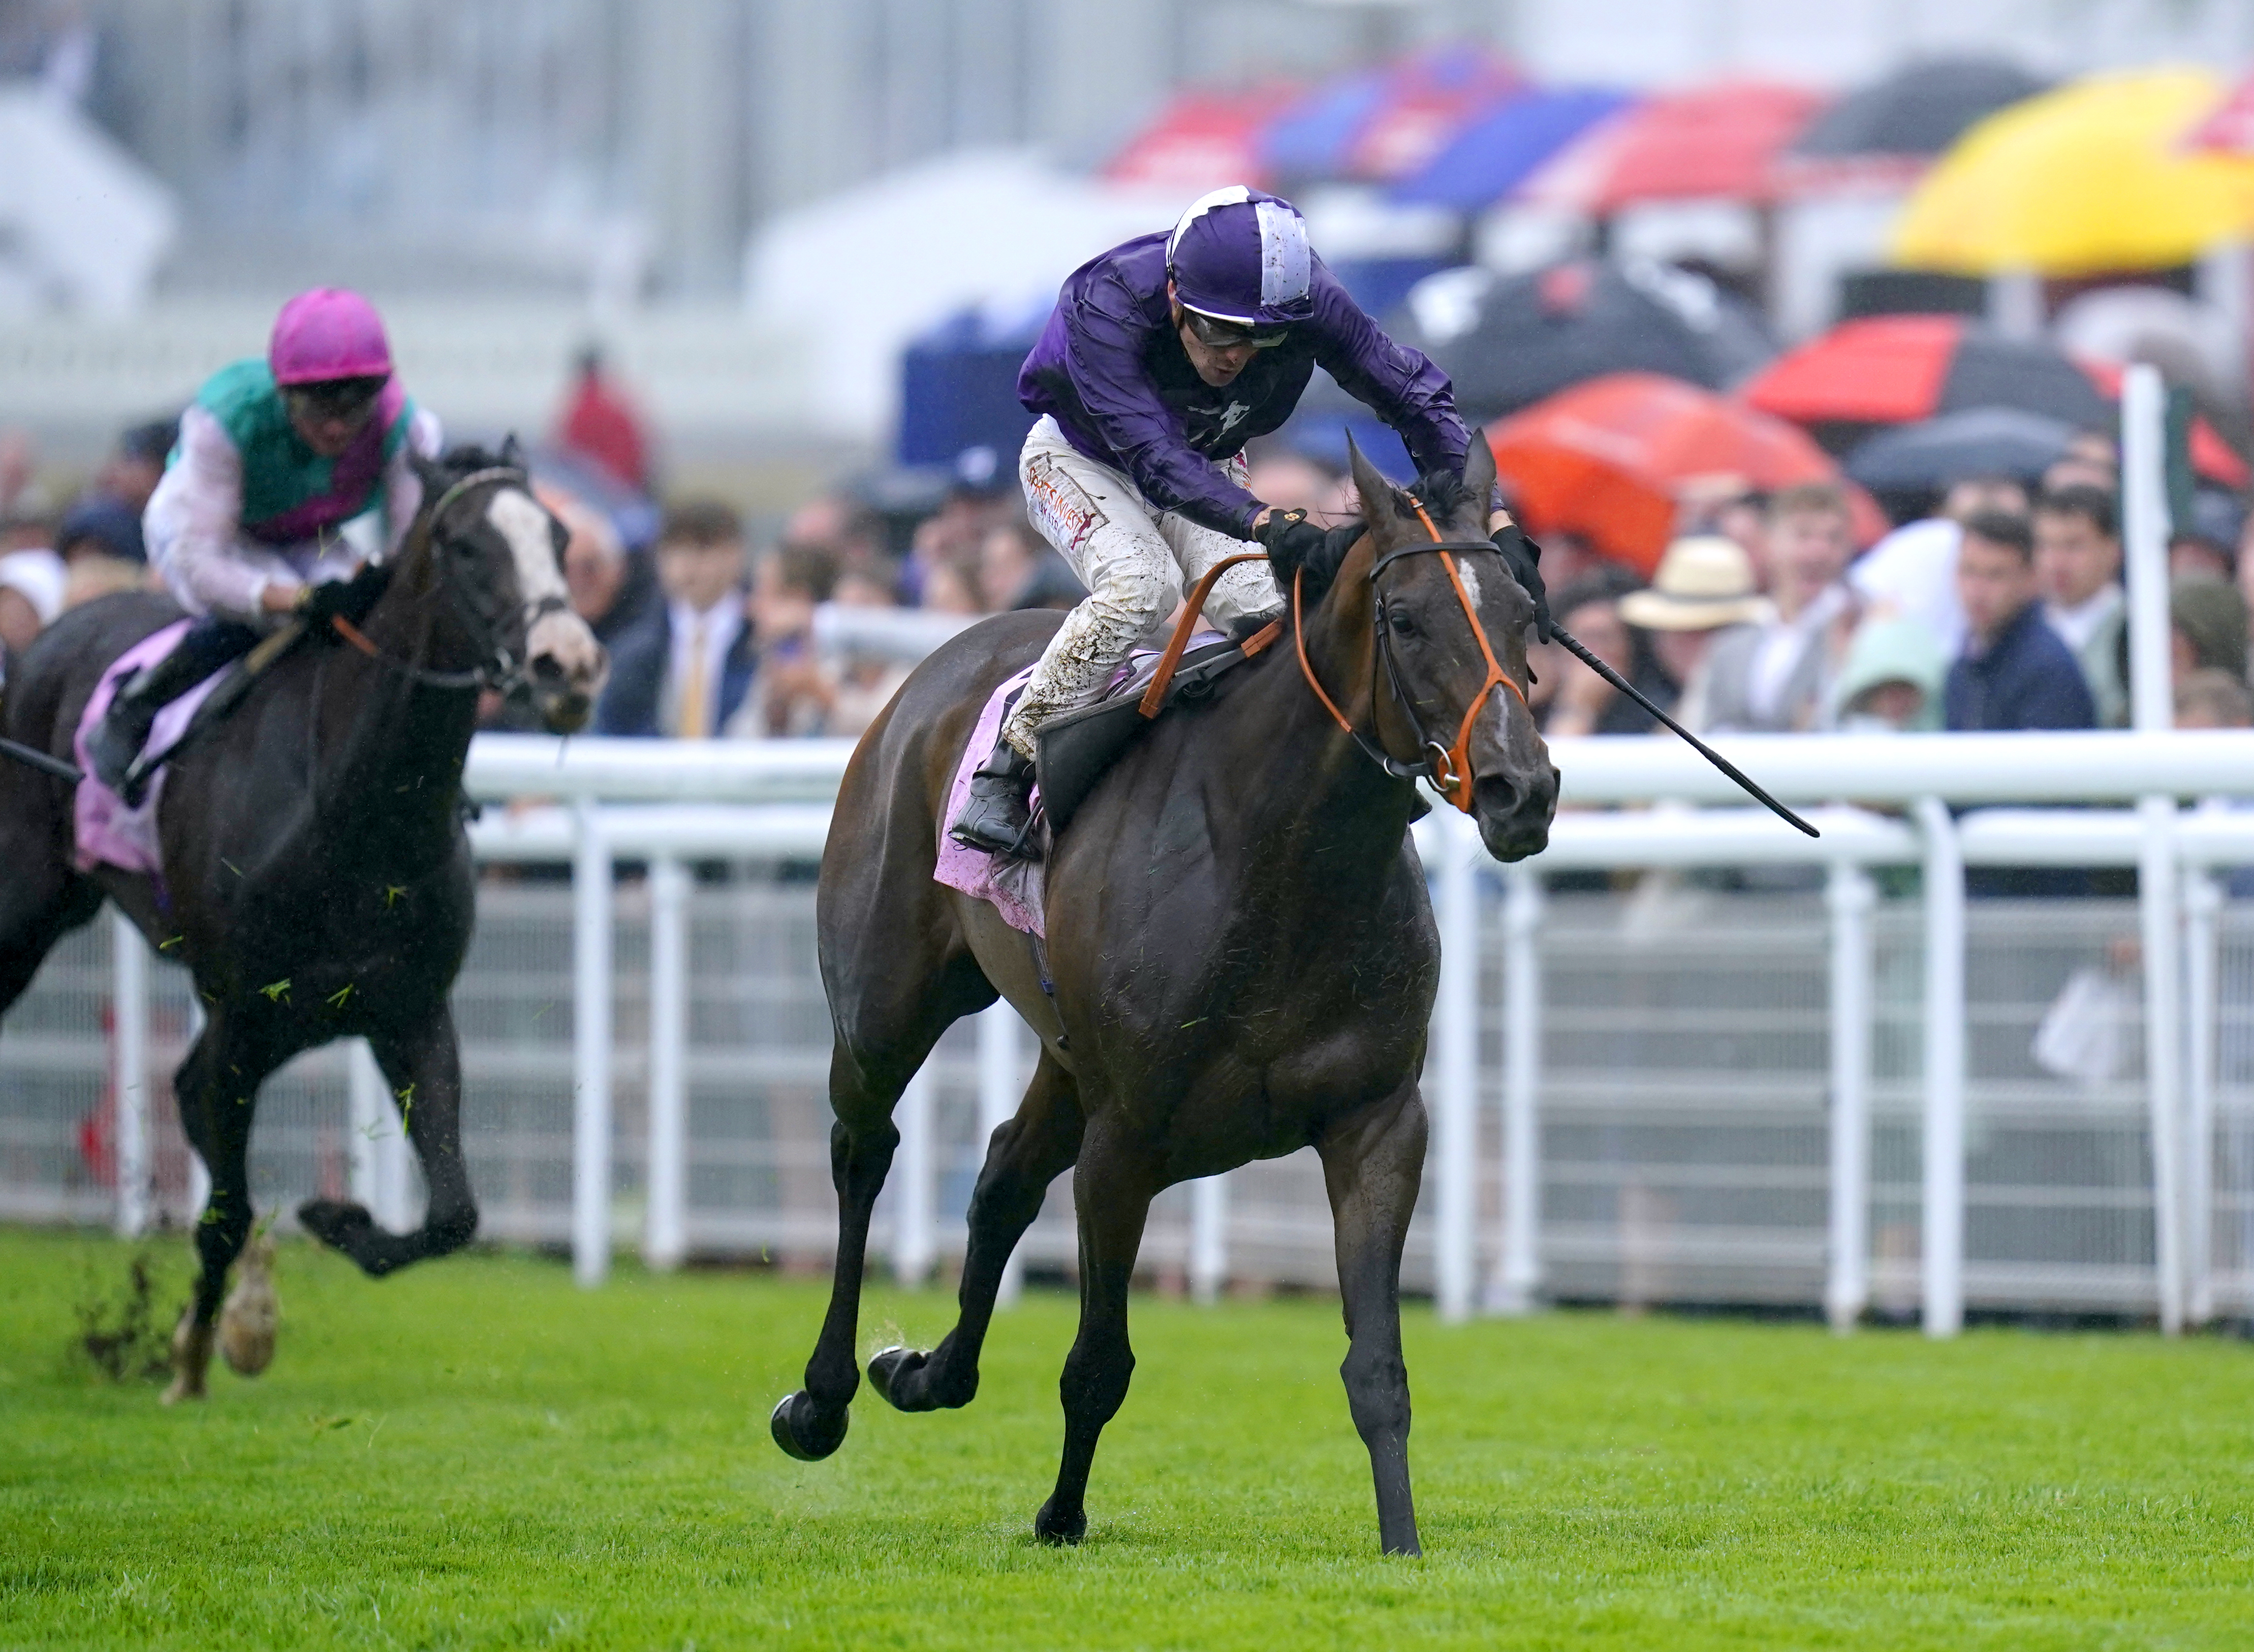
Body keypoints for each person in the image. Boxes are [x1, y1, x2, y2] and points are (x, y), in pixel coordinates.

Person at [951, 185, 1542, 856]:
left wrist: (1493, 522)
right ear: (1174, 295)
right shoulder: (1104, 303)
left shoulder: (1310, 299)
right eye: (1217, 330)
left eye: (1263, 338)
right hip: (1081, 460)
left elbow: (1413, 395)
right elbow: (1153, 458)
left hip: (1204, 462)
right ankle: (1007, 767)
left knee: (1280, 614)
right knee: (1141, 587)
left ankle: (1337, 766)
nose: (1236, 355)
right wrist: (1262, 520)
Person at [86, 289, 443, 794]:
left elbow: (407, 550)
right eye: (316, 405)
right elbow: (204, 565)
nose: (336, 426)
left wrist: (371, 584)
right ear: (282, 392)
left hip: (317, 532)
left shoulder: (406, 427)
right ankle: (137, 704)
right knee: (271, 615)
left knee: (364, 620)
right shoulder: (226, 419)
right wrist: (296, 600)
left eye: (354, 405)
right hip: (211, 532)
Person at [1700, 483, 1859, 733]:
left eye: (1834, 538)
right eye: (1803, 535)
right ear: (1769, 543)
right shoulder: (1736, 636)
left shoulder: (1863, 626)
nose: (1819, 551)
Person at [594, 500, 756, 739]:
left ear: (735, 555)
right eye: (677, 550)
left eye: (703, 549)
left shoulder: (760, 640)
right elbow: (610, 729)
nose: (689, 564)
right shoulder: (635, 651)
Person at [1945, 511, 2096, 733]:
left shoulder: (2048, 671)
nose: (1977, 591)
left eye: (1995, 575)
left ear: (2030, 579)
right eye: (1969, 571)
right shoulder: (1964, 663)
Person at [1616, 534, 1771, 731]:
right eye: (1682, 630)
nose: (1703, 645)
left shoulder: (1768, 701)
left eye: (1719, 631)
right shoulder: (1634, 701)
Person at [2032, 484, 2126, 727]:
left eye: (2073, 546)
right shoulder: (2020, 630)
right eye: (2045, 546)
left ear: (2112, 550)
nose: (2056, 563)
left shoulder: (2134, 630)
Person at [554, 345, 650, 496]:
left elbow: (566, 455)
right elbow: (636, 449)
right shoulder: (615, 403)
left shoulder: (577, 410)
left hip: (592, 492)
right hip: (622, 487)